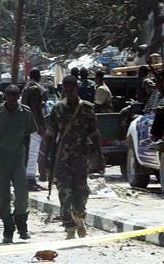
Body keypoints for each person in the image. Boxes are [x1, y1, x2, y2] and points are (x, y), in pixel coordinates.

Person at [47, 75, 101, 239]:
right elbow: (51, 134)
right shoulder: (58, 108)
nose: (68, 93)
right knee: (64, 191)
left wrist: (99, 155)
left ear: (76, 89)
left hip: (80, 157)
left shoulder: (87, 108)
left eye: (71, 90)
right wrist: (48, 159)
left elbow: (94, 132)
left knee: (81, 191)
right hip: (62, 157)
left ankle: (79, 217)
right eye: (66, 90)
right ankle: (69, 227)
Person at [0, 84, 38, 243]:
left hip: (18, 158)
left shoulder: (25, 113)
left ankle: (21, 222)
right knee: (2, 196)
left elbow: (27, 136)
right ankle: (8, 227)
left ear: (19, 97)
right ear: (5, 97)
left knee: (22, 194)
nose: (12, 100)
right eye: (10, 96)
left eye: (15, 97)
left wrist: (26, 157)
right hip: (0, 159)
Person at [21, 69, 47, 190]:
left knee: (30, 153)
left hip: (26, 125)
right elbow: (35, 110)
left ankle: (30, 179)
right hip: (33, 126)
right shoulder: (35, 89)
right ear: (39, 77)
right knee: (33, 153)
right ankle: (30, 180)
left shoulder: (26, 88)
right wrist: (40, 127)